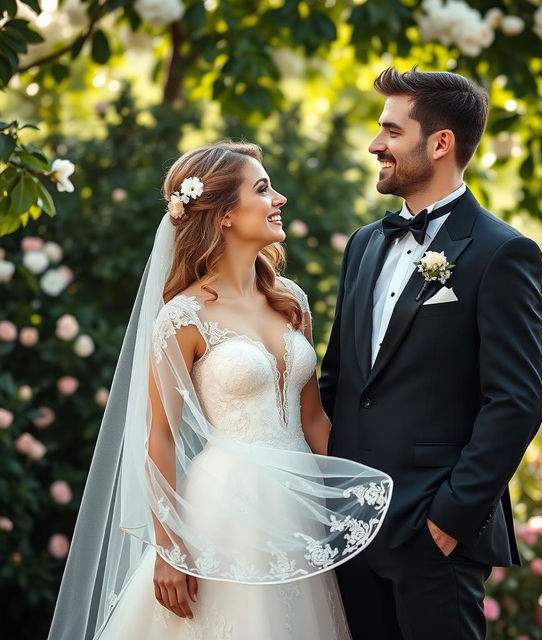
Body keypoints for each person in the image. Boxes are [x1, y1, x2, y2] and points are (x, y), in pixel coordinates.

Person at [48, 142, 393, 640]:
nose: (280, 199)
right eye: (263, 189)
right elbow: (160, 438)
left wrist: (350, 497)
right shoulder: (182, 316)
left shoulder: (290, 300)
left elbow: (313, 419)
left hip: (297, 508)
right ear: (226, 215)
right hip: (228, 509)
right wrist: (170, 547)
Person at [320, 67, 542, 639]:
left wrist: (448, 519)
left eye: (391, 132)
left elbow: (515, 401)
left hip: (434, 539)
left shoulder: (503, 253)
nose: (376, 145)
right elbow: (340, 381)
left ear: (440, 143)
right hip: (352, 530)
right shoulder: (365, 244)